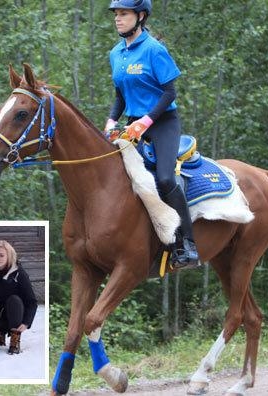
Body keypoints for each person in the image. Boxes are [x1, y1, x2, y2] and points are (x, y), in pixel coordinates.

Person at [104, 0, 199, 269]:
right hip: (132, 124)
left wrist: (145, 121)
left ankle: (188, 245)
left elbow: (170, 92)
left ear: (141, 16)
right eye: (116, 15)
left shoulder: (154, 50)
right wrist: (112, 121)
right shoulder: (116, 54)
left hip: (162, 122)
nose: (117, 19)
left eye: (123, 14)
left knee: (166, 178)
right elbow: (120, 95)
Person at [0, 240, 37, 355]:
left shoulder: (19, 273)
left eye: (1, 255)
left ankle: (15, 339)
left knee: (14, 300)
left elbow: (31, 301)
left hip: (15, 312)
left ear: (9, 256)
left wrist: (26, 322)